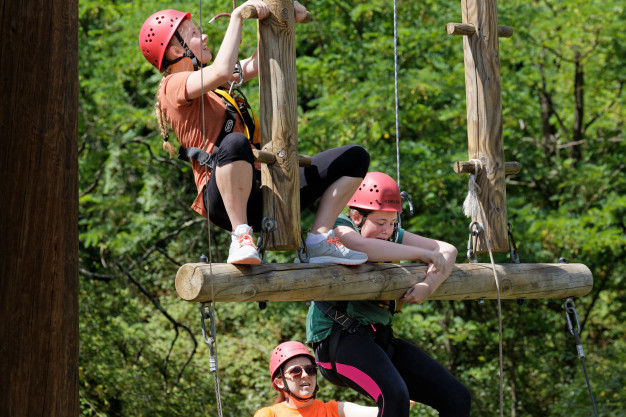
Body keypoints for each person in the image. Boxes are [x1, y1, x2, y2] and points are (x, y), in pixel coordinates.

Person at [138, 1, 369, 265]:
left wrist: (280, 15)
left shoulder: (215, 84)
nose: (203, 36)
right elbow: (223, 69)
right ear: (176, 49)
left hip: (263, 188)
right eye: (193, 34)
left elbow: (258, 62)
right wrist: (237, 17)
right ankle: (240, 236)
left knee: (354, 157)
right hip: (224, 199)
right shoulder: (173, 85)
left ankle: (318, 239)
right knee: (235, 142)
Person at [306, 172, 471, 417]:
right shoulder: (339, 227)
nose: (387, 231)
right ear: (357, 217)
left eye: (393, 223)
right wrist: (421, 254)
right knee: (394, 395)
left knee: (457, 397)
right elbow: (360, 247)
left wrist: (428, 286)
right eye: (381, 222)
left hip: (380, 339)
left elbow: (448, 250)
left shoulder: (393, 236)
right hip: (337, 339)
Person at [254, 341, 379, 417]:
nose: (305, 375)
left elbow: (386, 412)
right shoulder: (269, 415)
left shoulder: (333, 411)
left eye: (310, 369)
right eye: (295, 371)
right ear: (280, 382)